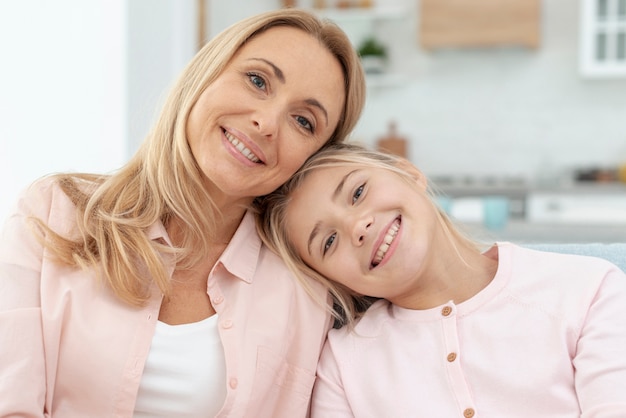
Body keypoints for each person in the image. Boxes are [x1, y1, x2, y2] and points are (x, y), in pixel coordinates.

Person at [0, 9, 365, 417]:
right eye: (257, 80)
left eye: (303, 121)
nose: (266, 123)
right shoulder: (54, 212)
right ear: (205, 75)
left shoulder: (310, 286)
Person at [256, 143, 626, 417]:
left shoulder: (588, 290)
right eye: (329, 242)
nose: (358, 226)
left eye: (357, 192)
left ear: (410, 174)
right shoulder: (341, 364)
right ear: (333, 281)